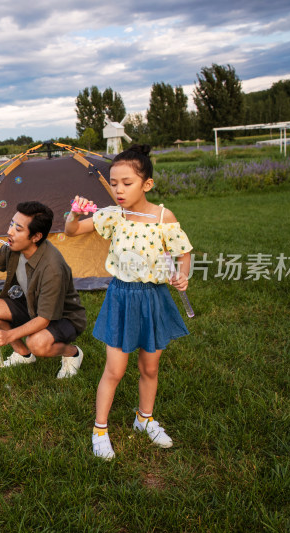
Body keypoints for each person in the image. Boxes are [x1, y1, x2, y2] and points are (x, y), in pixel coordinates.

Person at [64, 144, 192, 460]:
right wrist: (74, 213)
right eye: (114, 183)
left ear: (147, 184)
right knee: (115, 370)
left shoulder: (164, 217)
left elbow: (183, 252)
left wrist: (183, 274)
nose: (119, 190)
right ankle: (100, 430)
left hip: (155, 299)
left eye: (127, 183)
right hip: (122, 297)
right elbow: (72, 231)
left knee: (150, 367)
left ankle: (144, 419)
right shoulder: (112, 216)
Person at [0, 201, 86, 379]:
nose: (10, 231)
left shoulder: (52, 268)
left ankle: (72, 353)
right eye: (11, 224)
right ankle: (23, 354)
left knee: (36, 343)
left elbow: (44, 320)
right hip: (32, 307)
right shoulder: (14, 247)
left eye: (18, 229)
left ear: (36, 237)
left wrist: (8, 335)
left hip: (62, 317)